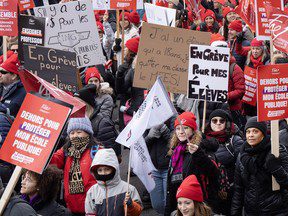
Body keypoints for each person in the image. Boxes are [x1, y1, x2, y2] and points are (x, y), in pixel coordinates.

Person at [165, 112, 219, 215]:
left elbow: (214, 173)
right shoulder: (175, 150)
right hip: (179, 202)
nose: (181, 132)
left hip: (197, 203)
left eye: (185, 128)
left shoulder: (200, 147)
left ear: (193, 130)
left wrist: (198, 154)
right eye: (178, 128)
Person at [231, 117, 288, 215]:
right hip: (251, 211)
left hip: (276, 211)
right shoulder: (242, 155)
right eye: (248, 132)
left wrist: (276, 169)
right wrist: (235, 212)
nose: (251, 135)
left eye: (255, 131)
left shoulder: (276, 151)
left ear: (263, 133)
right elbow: (239, 188)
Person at [50, 117, 101, 215]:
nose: (75, 136)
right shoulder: (66, 151)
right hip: (72, 208)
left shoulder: (97, 151)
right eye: (72, 133)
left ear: (88, 133)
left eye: (79, 132)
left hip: (94, 207)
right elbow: (52, 161)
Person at [204, 109, 244, 215]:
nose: (218, 123)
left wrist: (227, 187)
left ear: (226, 123)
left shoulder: (234, 140)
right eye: (214, 120)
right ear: (210, 123)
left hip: (231, 190)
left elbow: (241, 166)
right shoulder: (203, 140)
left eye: (221, 121)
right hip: (209, 191)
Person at [85, 148, 143, 215]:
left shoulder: (128, 189)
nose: (103, 173)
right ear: (95, 172)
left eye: (107, 169)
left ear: (114, 169)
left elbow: (137, 212)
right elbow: (90, 213)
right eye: (100, 170)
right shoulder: (92, 192)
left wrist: (131, 205)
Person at [235, 38, 270, 118]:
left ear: (262, 50)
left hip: (260, 96)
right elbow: (240, 50)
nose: (255, 51)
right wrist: (238, 42)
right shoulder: (248, 57)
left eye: (257, 49)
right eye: (253, 48)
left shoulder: (267, 60)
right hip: (248, 96)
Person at [115, 37, 144, 131]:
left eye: (127, 48)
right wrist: (119, 75)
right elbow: (120, 90)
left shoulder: (136, 70)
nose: (124, 50)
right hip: (128, 106)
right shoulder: (129, 68)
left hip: (136, 108)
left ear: (132, 52)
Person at [145, 124, 171, 214]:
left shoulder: (173, 118)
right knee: (157, 204)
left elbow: (178, 144)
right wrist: (149, 137)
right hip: (153, 168)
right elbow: (140, 146)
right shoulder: (145, 120)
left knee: (169, 203)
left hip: (169, 168)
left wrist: (166, 133)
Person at [0, 53, 26, 117]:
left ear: (14, 76)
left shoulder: (24, 93)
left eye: (3, 72)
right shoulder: (2, 86)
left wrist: (5, 111)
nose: (0, 74)